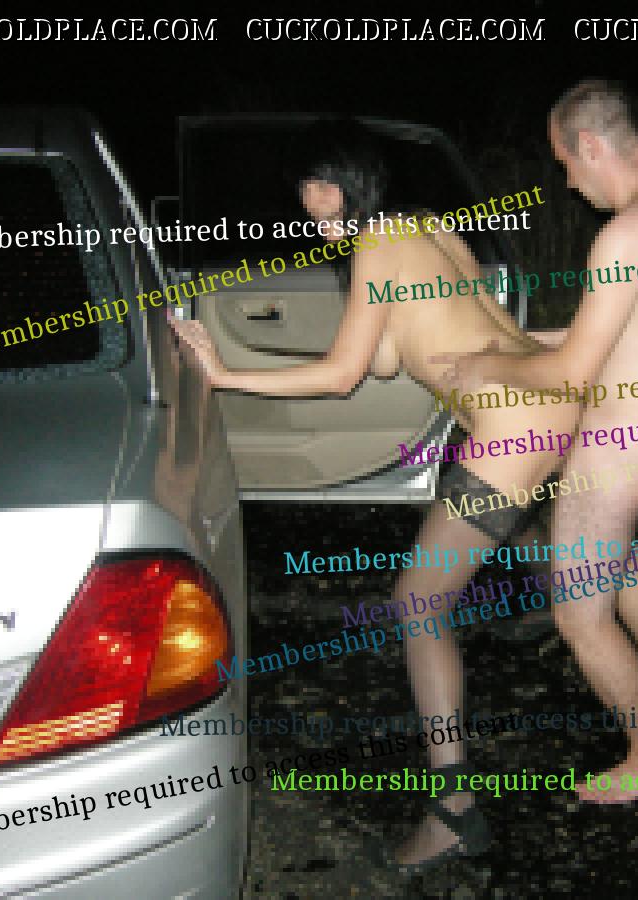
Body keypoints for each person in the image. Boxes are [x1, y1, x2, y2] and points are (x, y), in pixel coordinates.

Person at [171, 147, 578, 869]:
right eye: (309, 209)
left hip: (512, 429)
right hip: (549, 403)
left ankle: (454, 811)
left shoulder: (377, 247)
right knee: (567, 539)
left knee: (419, 605)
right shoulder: (427, 228)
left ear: (343, 190)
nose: (315, 221)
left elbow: (343, 376)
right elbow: (396, 355)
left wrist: (225, 374)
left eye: (319, 203)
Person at [433, 79, 638, 804]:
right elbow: (609, 335)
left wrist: (486, 370)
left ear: (593, 145)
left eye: (567, 160)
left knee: (579, 612)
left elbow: (571, 373)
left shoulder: (625, 236)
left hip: (618, 451)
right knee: (620, 554)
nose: (568, 179)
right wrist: (512, 344)